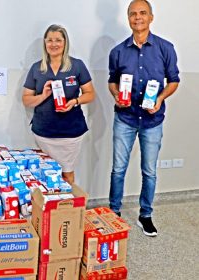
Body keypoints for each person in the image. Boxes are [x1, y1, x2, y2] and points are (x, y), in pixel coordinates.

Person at [108, 0, 179, 237]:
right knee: (118, 169)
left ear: (151, 17)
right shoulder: (117, 51)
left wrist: (159, 99)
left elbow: (174, 80)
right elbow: (112, 81)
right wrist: (118, 95)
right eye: (133, 14)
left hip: (152, 120)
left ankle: (145, 215)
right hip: (125, 118)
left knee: (149, 171)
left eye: (142, 13)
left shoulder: (165, 48)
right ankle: (114, 212)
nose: (137, 17)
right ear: (128, 18)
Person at [22, 24, 95, 184]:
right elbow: (26, 99)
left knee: (67, 174)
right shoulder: (36, 68)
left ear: (65, 43)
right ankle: (49, 208)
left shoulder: (77, 66)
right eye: (50, 40)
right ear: (45, 43)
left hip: (71, 134)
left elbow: (90, 94)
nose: (54, 44)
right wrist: (43, 96)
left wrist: (75, 102)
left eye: (58, 40)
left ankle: (68, 208)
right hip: (43, 133)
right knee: (46, 175)